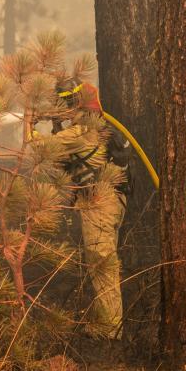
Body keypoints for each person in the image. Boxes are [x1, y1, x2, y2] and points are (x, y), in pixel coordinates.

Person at [49, 78, 133, 340]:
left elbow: (40, 148)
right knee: (102, 263)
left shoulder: (82, 132)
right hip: (111, 201)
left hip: (98, 202)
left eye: (61, 104)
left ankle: (110, 330)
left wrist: (30, 124)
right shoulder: (96, 126)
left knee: (101, 265)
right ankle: (107, 323)